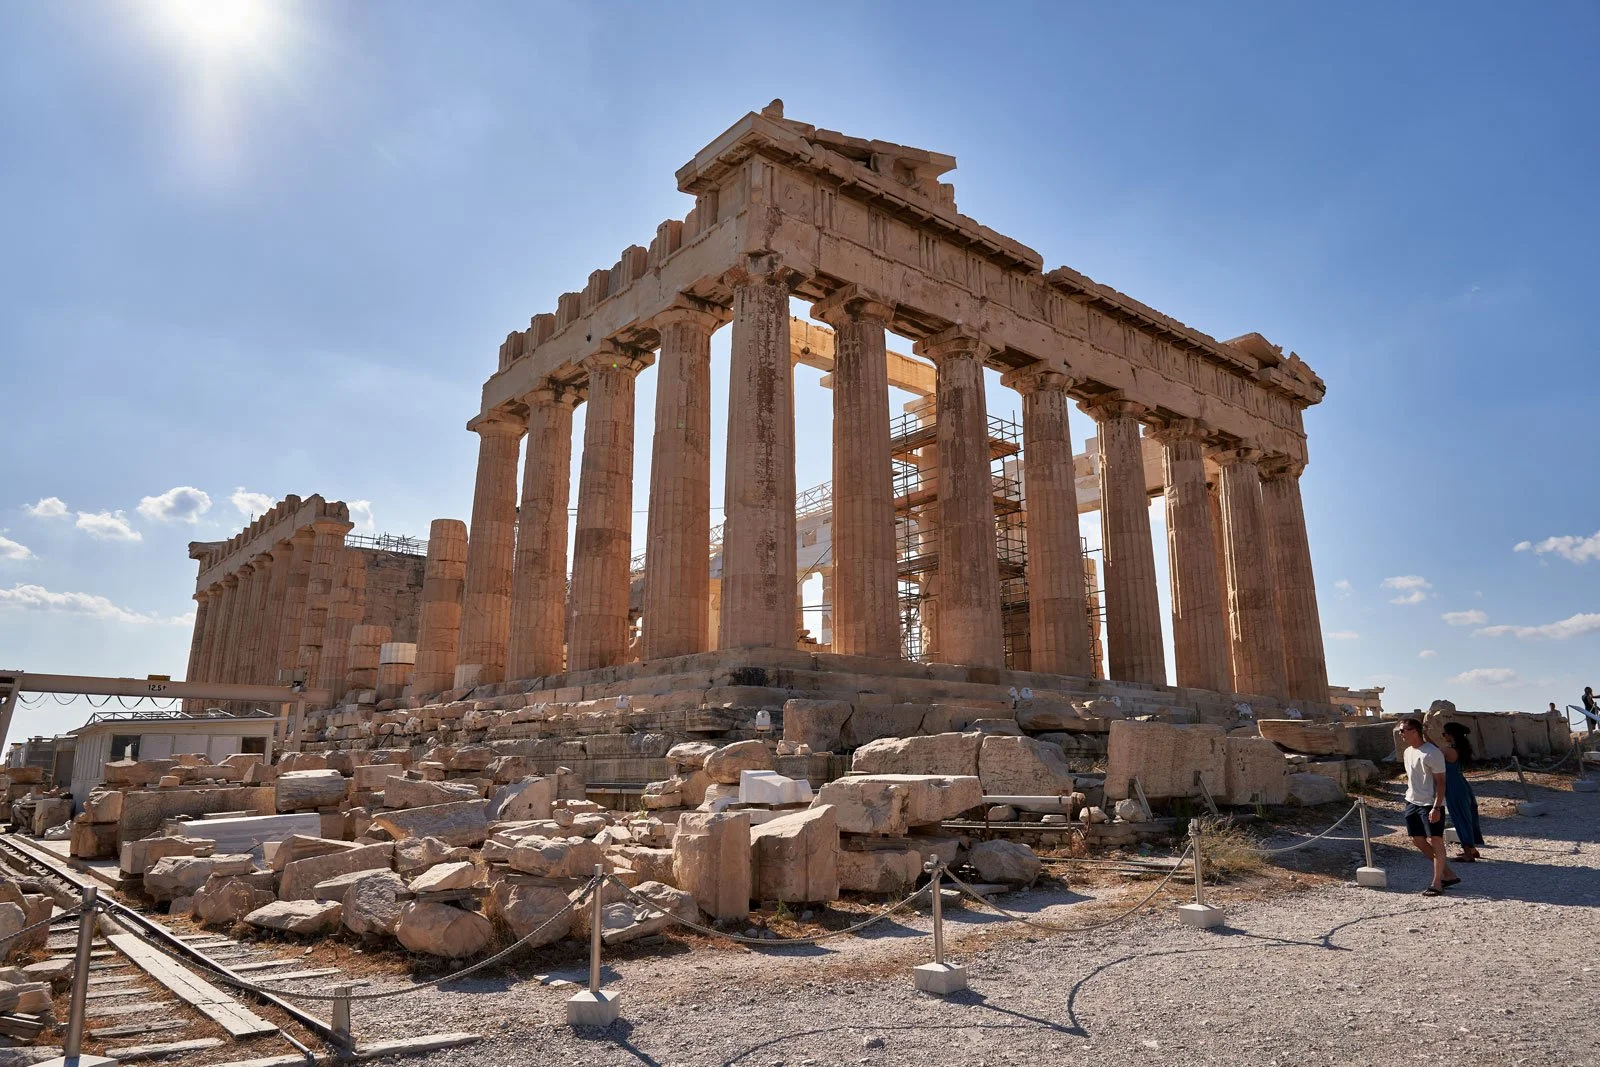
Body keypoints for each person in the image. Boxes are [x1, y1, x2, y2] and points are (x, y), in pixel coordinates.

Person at [1399, 717, 1459, 895]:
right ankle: (1448, 874)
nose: (1401, 733)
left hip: (1430, 804)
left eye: (1404, 730)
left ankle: (1437, 883)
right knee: (1417, 840)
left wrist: (1436, 807)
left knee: (1436, 840)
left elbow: (1441, 783)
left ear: (1415, 731)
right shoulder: (1408, 751)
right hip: (1412, 800)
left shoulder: (1432, 753)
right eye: (1400, 730)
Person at [1439, 722, 1485, 862]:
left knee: (1459, 817)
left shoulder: (1448, 751)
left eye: (1444, 734)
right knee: (1467, 815)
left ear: (1451, 735)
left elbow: (1433, 752)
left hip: (1453, 786)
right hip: (1461, 783)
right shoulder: (1461, 749)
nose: (1443, 736)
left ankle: (1468, 852)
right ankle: (1471, 848)